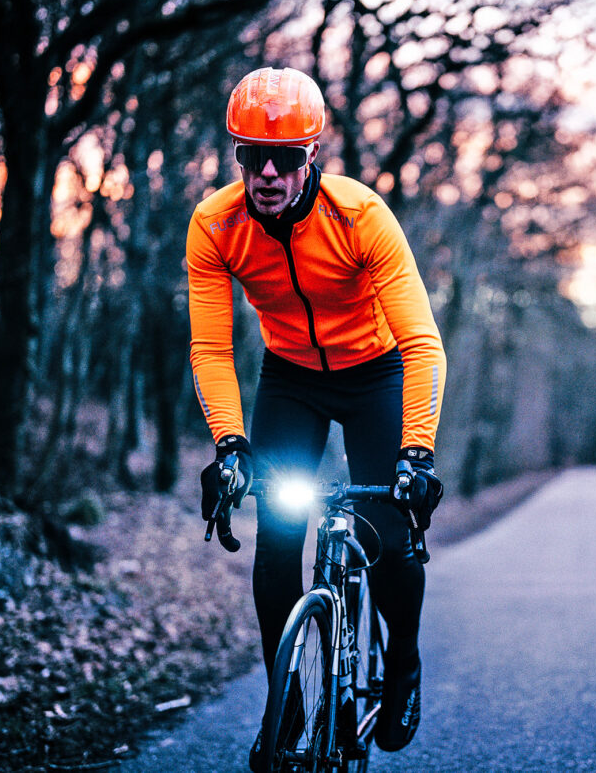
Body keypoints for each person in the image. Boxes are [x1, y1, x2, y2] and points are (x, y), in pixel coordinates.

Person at [185, 66, 446, 766]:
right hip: (290, 378)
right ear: (237, 156)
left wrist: (415, 456)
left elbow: (422, 343)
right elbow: (210, 346)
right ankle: (287, 697)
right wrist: (230, 445)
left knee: (389, 532)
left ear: (312, 157)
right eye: (252, 156)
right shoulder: (215, 226)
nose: (268, 172)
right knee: (277, 535)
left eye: (286, 157)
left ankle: (403, 667)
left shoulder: (360, 217)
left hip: (374, 375)